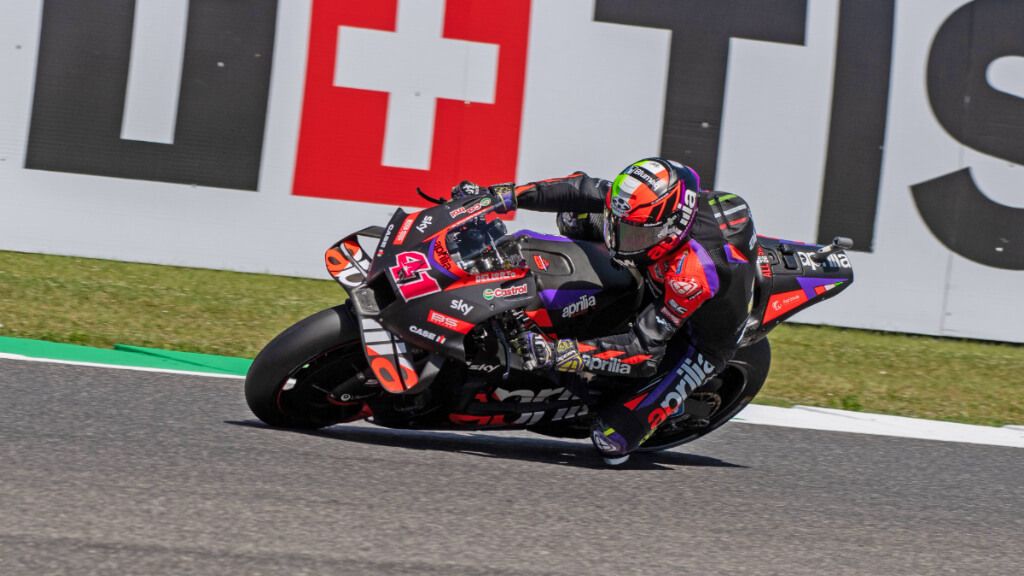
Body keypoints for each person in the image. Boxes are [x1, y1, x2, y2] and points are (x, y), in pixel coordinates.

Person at [463, 158, 758, 465]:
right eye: (621, 225)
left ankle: (672, 407)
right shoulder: (648, 210)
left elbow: (644, 352)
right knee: (574, 215)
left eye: (635, 232)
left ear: (674, 227)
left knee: (611, 442)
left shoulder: (691, 275)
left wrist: (558, 353)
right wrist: (502, 196)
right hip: (661, 277)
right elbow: (581, 188)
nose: (619, 239)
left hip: (701, 340)